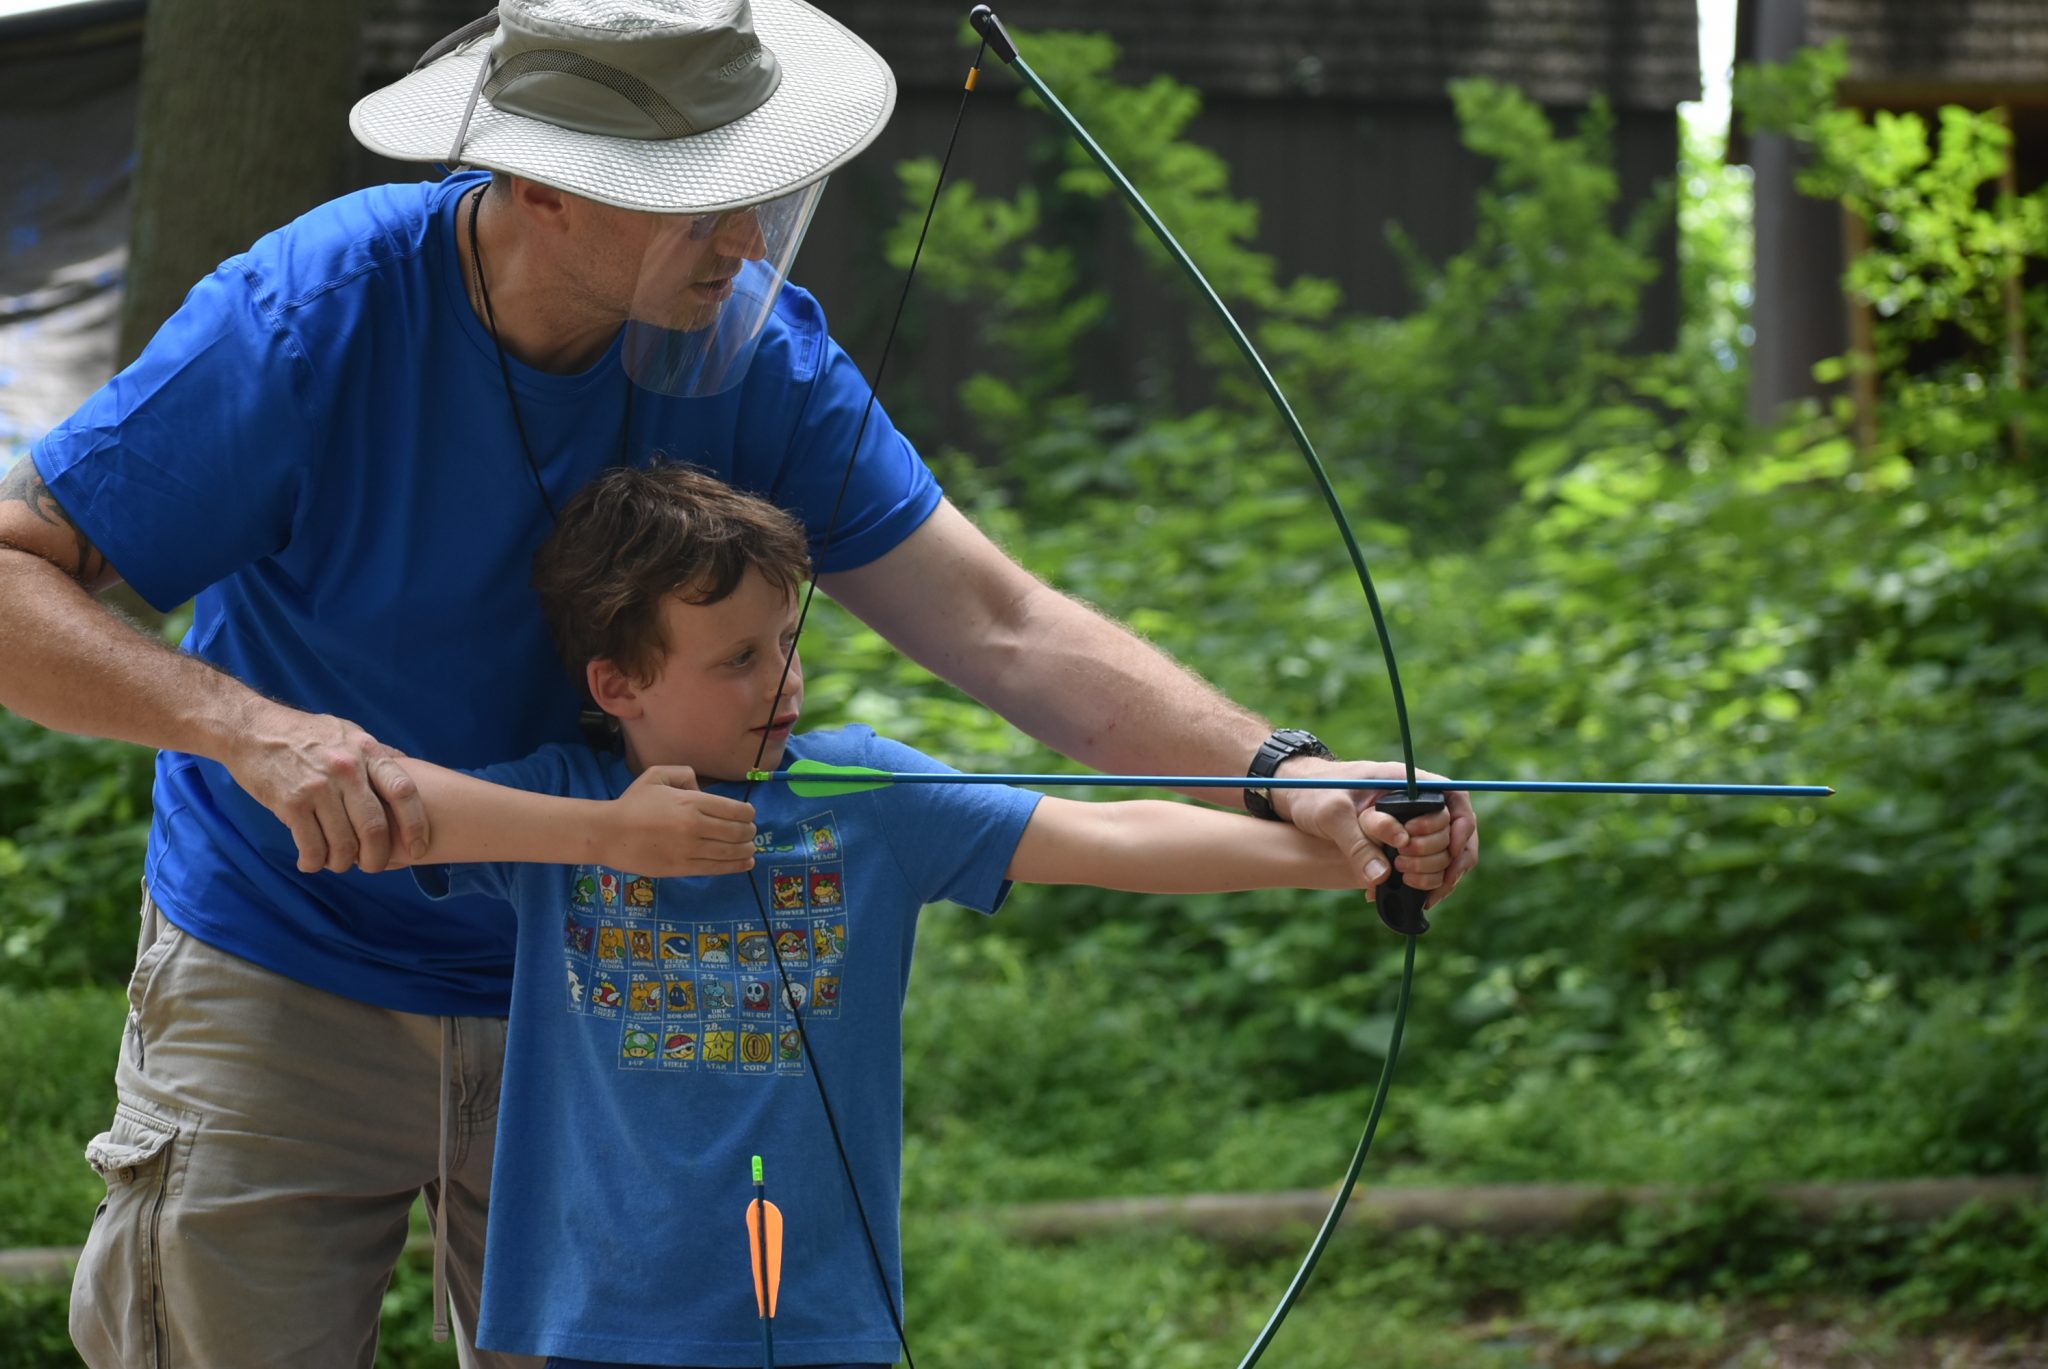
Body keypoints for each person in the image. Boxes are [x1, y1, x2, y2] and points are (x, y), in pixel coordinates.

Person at [0, 1, 1476, 1364]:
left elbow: (1005, 629)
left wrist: (1289, 779)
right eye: (699, 197)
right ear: (543, 187)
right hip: (286, 956)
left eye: (759, 185)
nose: (749, 237)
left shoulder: (744, 350)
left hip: (599, 1007)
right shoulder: (314, 313)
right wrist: (244, 729)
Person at [394, 461, 1383, 1368]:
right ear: (618, 685)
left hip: (812, 1322)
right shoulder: (559, 806)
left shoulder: (857, 786)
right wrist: (601, 833)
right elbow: (394, 816)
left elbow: (1110, 836)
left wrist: (1348, 847)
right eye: (737, 657)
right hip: (581, 1321)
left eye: (787, 641)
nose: (782, 680)